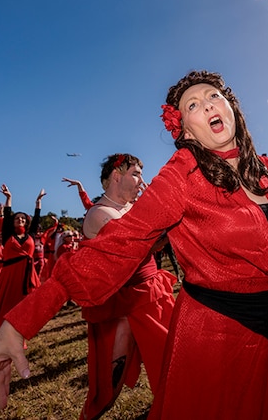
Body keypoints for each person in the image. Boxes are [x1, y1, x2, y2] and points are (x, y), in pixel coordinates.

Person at [0, 70, 268, 420]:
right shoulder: (181, 174)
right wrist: (19, 324)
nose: (208, 104)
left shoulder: (267, 169)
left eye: (213, 96)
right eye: (193, 105)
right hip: (217, 339)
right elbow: (118, 245)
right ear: (187, 131)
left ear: (231, 108)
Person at [71, 153, 177, 419]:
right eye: (136, 174)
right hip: (125, 301)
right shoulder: (100, 213)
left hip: (152, 291)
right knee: (110, 380)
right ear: (117, 175)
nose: (142, 181)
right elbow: (143, 244)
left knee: (173, 358)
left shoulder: (131, 207)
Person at [0, 185, 45, 330]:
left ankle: (22, 328)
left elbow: (36, 218)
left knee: (25, 302)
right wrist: (8, 198)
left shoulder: (30, 235)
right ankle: (7, 329)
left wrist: (38, 202)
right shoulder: (8, 236)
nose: (20, 220)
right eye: (17, 218)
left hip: (27, 273)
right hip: (10, 273)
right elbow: (7, 215)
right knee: (8, 303)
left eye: (23, 218)